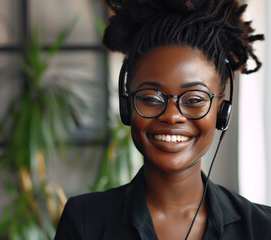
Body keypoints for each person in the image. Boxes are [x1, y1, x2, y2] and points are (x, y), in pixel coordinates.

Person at [55, 0, 271, 239]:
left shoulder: (262, 227)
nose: (172, 115)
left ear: (221, 111)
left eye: (194, 99)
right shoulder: (85, 221)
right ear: (128, 106)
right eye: (151, 98)